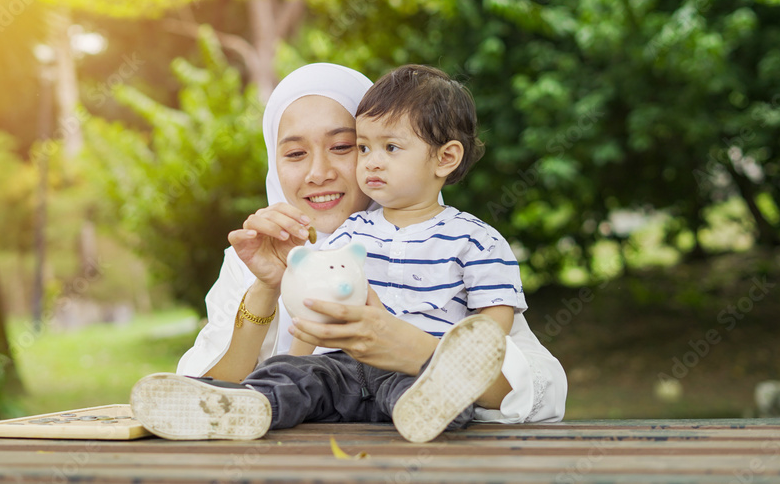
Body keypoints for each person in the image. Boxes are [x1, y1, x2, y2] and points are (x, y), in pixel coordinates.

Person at [130, 63, 567, 442]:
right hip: (292, 461)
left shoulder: (456, 243)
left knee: (425, 398)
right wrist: (269, 286)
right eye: (296, 153)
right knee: (286, 382)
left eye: (342, 147)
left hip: (415, 458)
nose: (319, 172)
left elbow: (536, 384)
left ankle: (427, 408)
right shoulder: (252, 254)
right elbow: (211, 381)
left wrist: (413, 351)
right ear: (273, 161)